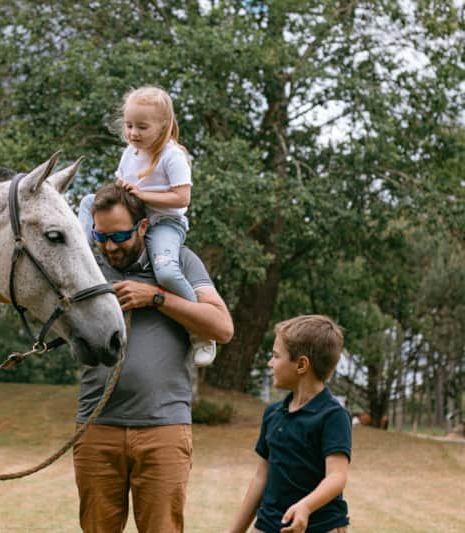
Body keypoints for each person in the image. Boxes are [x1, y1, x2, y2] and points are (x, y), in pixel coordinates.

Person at [73, 183, 234, 533]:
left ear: (143, 227)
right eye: (101, 236)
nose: (110, 247)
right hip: (96, 426)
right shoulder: (86, 265)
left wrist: (157, 297)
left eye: (120, 236)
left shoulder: (178, 261)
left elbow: (222, 328)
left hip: (163, 427)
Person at [78, 86, 217, 367]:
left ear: (163, 126)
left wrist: (142, 195)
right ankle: (80, 248)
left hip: (165, 221)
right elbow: (120, 184)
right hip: (137, 213)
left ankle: (200, 332)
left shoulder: (172, 155)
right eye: (129, 126)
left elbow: (182, 198)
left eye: (142, 127)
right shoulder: (131, 151)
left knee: (166, 271)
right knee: (87, 200)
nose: (133, 133)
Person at [226, 315, 351, 533]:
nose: (270, 363)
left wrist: (306, 506)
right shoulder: (273, 414)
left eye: (276, 356)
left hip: (320, 527)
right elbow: (261, 478)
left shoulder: (333, 415)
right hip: (269, 525)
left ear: (301, 364)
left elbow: (337, 476)